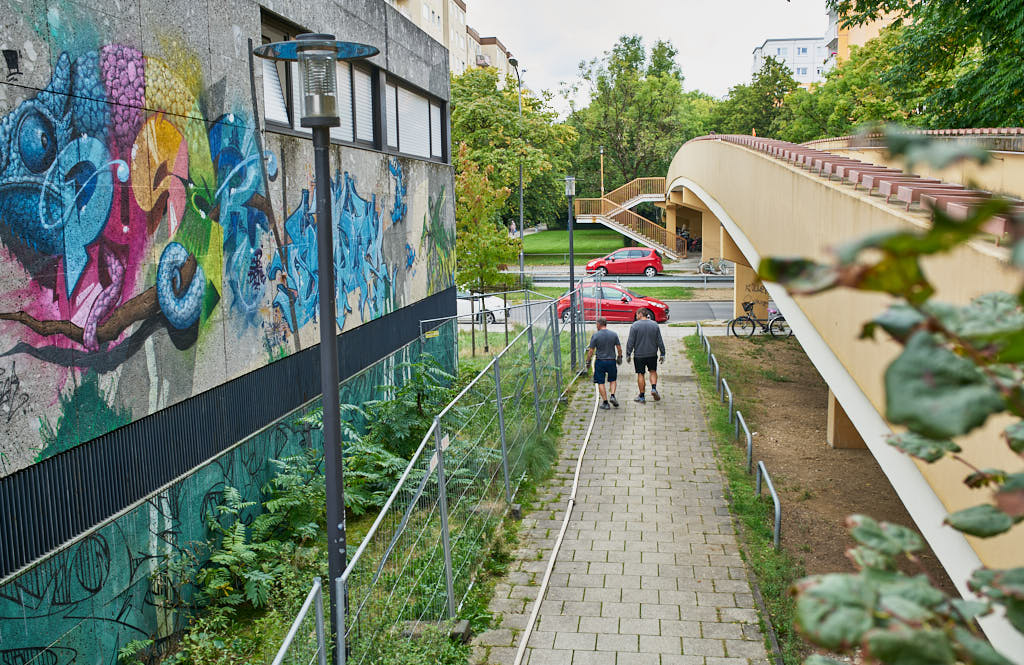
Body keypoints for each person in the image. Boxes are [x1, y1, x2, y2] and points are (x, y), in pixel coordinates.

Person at [625, 309, 666, 403]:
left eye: (636, 314)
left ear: (640, 314)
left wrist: (628, 354)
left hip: (639, 355)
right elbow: (659, 340)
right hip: (652, 354)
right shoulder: (654, 325)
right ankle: (654, 388)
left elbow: (630, 342)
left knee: (640, 374)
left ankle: (642, 396)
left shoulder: (635, 326)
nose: (636, 316)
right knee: (653, 371)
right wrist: (662, 353)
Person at [585, 317, 622, 410]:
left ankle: (605, 402)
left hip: (600, 361)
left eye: (596, 324)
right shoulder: (614, 334)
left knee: (600, 382)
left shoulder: (595, 336)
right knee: (612, 379)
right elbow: (619, 348)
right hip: (611, 361)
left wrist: (588, 361)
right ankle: (612, 395)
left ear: (599, 324)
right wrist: (619, 357)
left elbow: (591, 351)